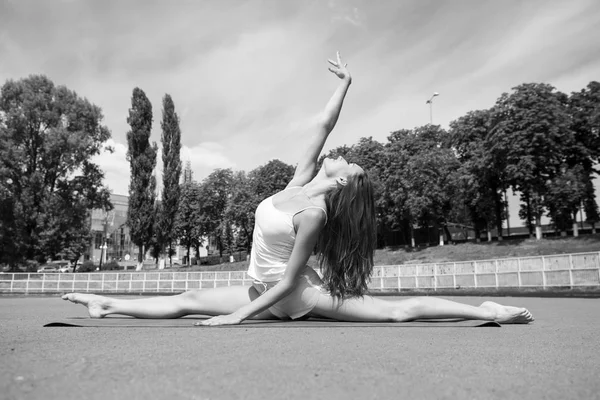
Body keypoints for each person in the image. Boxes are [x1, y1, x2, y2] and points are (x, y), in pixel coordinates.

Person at [63, 52, 533, 326]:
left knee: (395, 313)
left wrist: (236, 318)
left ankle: (484, 309)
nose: (342, 153)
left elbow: (289, 280)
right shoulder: (299, 182)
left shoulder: (314, 214)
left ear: (345, 180)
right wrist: (346, 84)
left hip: (294, 296)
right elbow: (323, 126)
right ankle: (107, 303)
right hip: (260, 288)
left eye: (351, 162)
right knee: (186, 301)